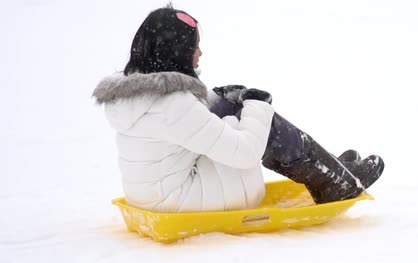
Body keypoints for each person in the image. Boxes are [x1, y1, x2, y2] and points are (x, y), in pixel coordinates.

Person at [93, 5, 384, 213]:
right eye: (195, 46)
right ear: (178, 52)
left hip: (153, 193)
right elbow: (246, 154)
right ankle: (334, 181)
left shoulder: (138, 92)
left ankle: (329, 168)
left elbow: (191, 118)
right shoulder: (173, 105)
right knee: (256, 124)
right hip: (181, 200)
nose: (200, 53)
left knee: (231, 107)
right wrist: (258, 106)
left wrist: (224, 97)